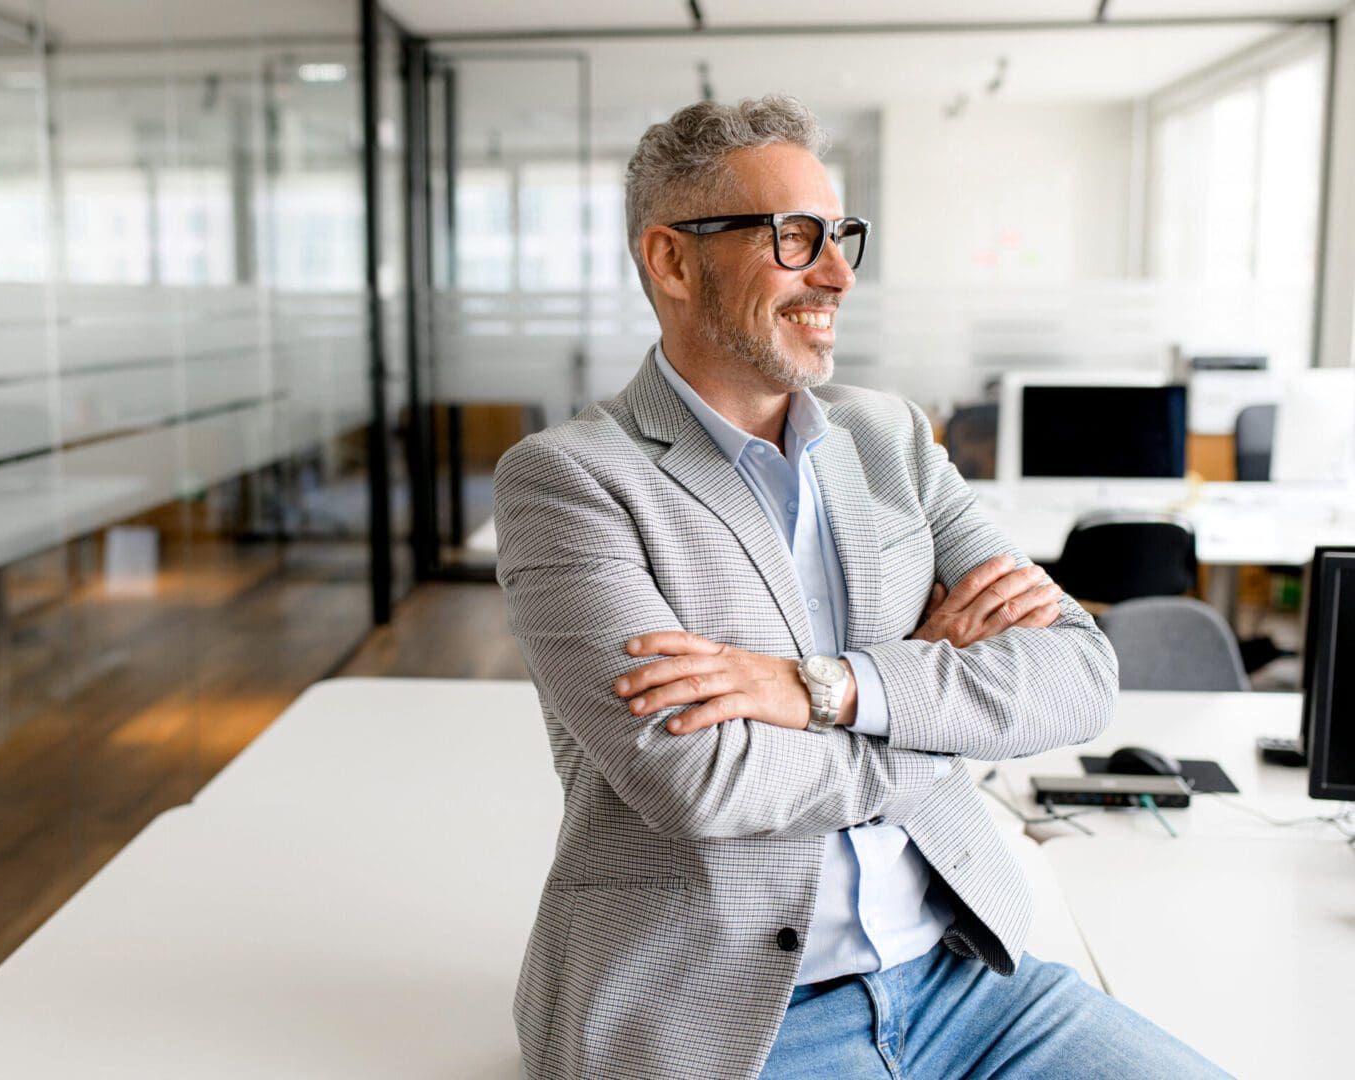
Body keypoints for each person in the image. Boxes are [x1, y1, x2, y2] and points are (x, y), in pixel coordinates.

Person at [494, 96, 1227, 1080]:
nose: (836, 273)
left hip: (965, 982)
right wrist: (937, 725)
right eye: (794, 238)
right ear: (672, 260)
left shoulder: (884, 436)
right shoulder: (569, 480)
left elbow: (1080, 673)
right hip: (735, 1020)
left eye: (840, 236)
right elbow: (700, 780)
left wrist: (826, 690)